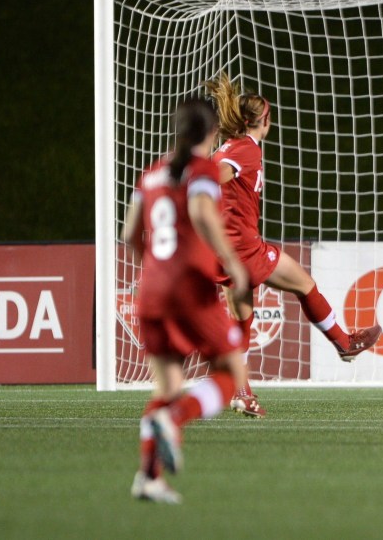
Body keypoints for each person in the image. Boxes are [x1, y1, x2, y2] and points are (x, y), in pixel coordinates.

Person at [205, 73, 382, 417]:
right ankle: (345, 344)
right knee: (305, 285)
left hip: (223, 251)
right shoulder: (246, 151)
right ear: (264, 121)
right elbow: (217, 174)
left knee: (242, 318)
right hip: (244, 249)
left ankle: (241, 391)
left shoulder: (230, 147)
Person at [122, 98, 252, 504]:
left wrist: (156, 269)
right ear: (213, 132)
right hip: (190, 290)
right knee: (231, 374)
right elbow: (199, 212)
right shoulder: (203, 170)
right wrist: (233, 263)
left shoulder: (153, 172)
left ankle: (148, 477)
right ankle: (173, 420)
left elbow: (129, 235)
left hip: (151, 291)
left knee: (169, 386)